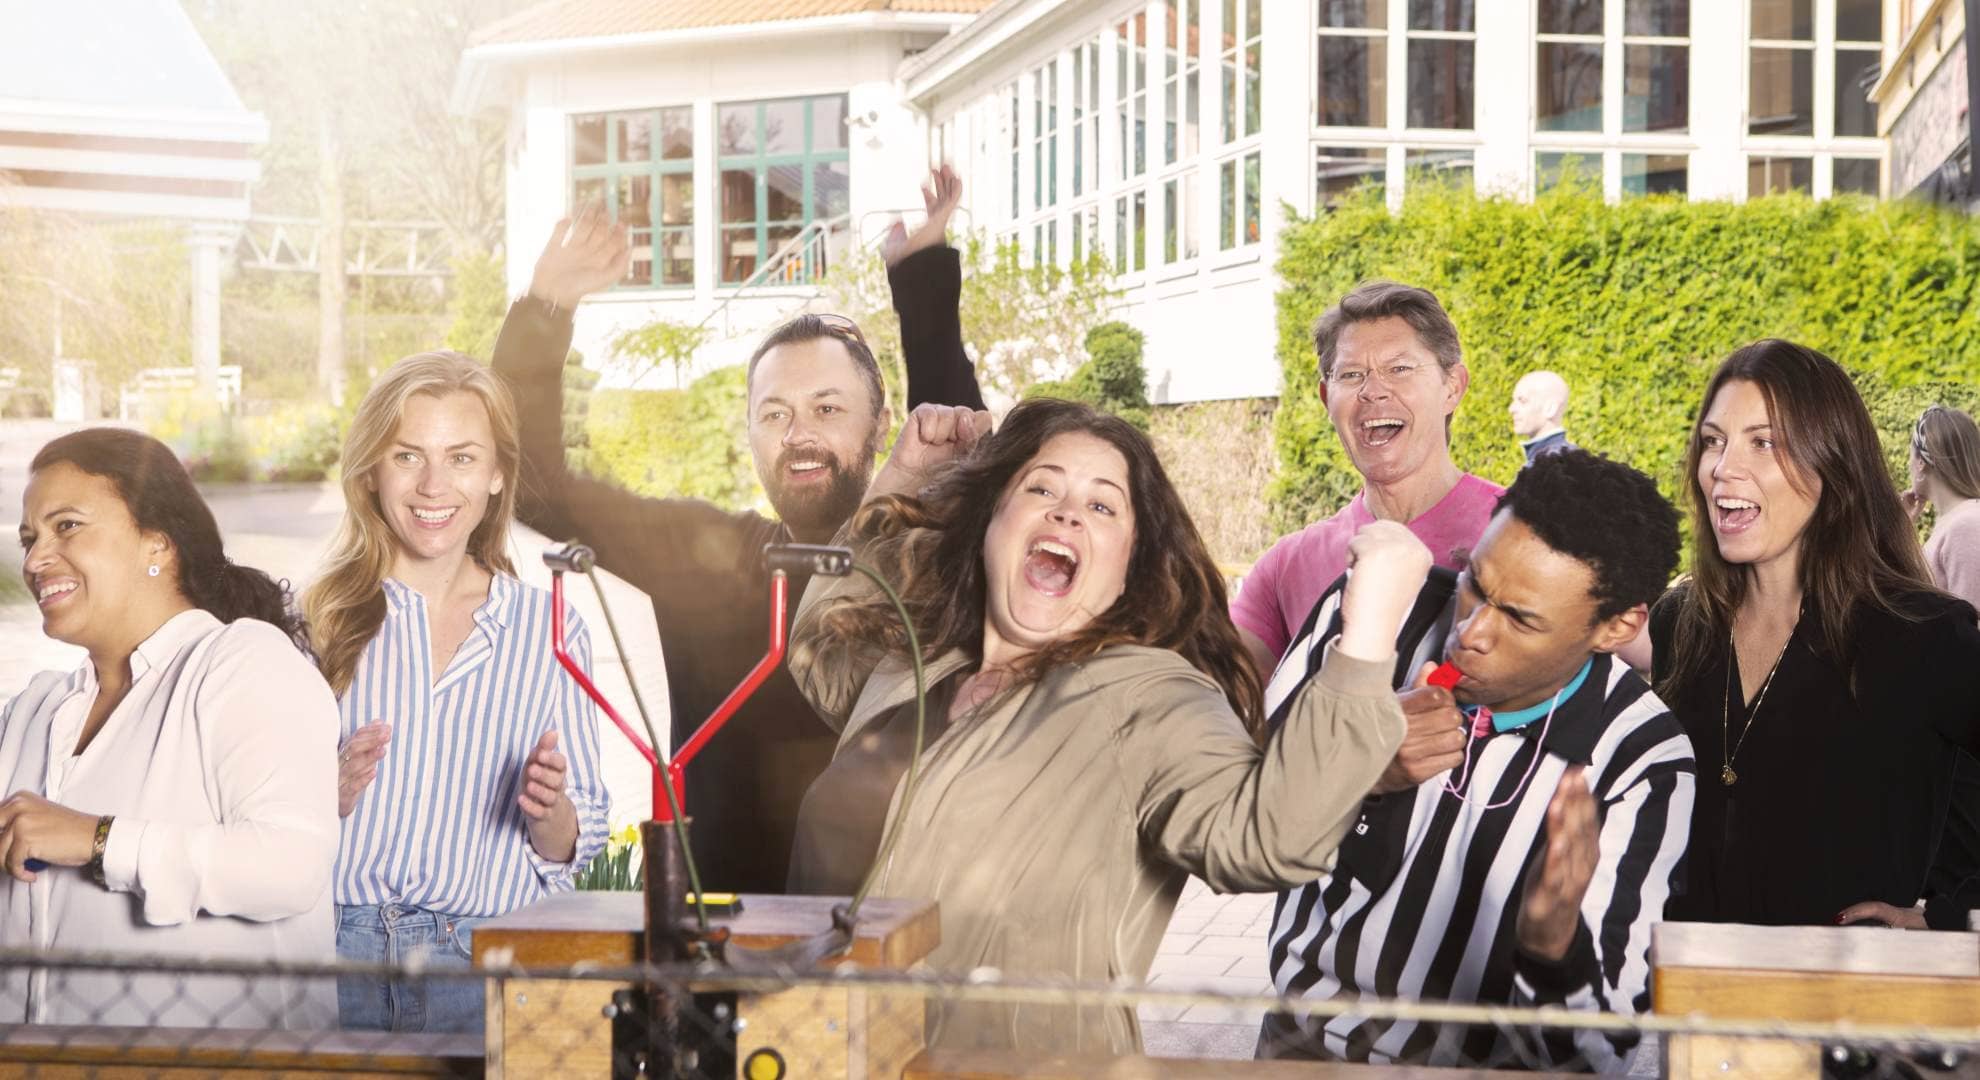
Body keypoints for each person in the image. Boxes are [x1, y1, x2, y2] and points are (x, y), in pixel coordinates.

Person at [787, 397, 1423, 1054]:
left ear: (1130, 562)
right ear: (991, 521)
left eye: (1102, 506)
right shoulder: (917, 663)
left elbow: (1268, 837)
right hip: (820, 1053)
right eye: (1040, 487)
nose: (1066, 511)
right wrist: (903, 474)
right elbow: (819, 643)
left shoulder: (1150, 698)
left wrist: (1369, 627)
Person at [490, 167, 985, 894]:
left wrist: (923, 289)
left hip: (889, 935)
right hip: (725, 936)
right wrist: (546, 308)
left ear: (880, 426)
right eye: (775, 413)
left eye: (827, 409)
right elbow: (532, 486)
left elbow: (961, 462)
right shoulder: (705, 559)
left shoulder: (920, 562)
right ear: (750, 434)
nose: (799, 435)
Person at [1256, 449, 1693, 1070]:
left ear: (1616, 628)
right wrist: (1360, 768)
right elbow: (1239, 825)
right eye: (1474, 583)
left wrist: (1551, 949)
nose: (1474, 631)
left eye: (1519, 618)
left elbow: (1596, 1054)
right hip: (1299, 1050)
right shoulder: (1368, 614)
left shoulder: (1641, 761)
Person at [304, 352, 610, 1034]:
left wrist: (548, 812)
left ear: (498, 474)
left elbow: (576, 837)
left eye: (462, 458)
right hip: (327, 957)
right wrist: (321, 794)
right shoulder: (314, 618)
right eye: (408, 456)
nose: (433, 485)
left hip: (479, 965)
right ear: (372, 471)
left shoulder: (550, 628)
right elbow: (253, 813)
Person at [0, 429, 337, 1028]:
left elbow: (290, 866)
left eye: (67, 526)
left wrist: (98, 839)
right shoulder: (33, 710)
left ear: (157, 542)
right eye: (29, 539)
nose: (34, 559)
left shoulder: (242, 662)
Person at [1647, 340, 1980, 931]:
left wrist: (1947, 915)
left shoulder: (1922, 636)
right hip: (1688, 995)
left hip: (1849, 1006)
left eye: (1763, 441)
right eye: (1713, 440)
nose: (1722, 468)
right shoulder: (1681, 622)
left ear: (1833, 462)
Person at [1233, 281, 1503, 677]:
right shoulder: (1286, 567)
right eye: (1352, 374)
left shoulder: (1526, 536)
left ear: (1452, 387)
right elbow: (1222, 703)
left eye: (1399, 369)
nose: (1373, 391)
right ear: (1327, 400)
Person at [1904, 404, 1980, 610]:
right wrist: (1903, 529)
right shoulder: (1954, 522)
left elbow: (1971, 627)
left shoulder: (1966, 525)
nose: (1909, 463)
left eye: (1910, 454)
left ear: (1921, 462)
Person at [1509, 370, 1575, 466]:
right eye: (1514, 401)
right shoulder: (1568, 457)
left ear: (1550, 408)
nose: (1511, 409)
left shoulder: (1552, 463)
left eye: (1522, 401)